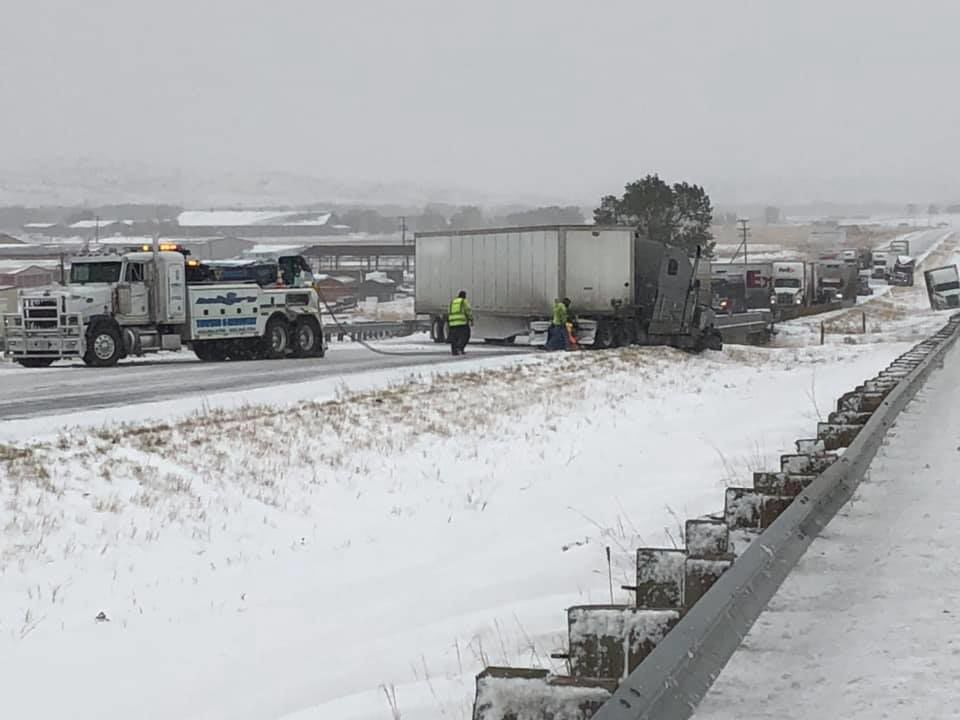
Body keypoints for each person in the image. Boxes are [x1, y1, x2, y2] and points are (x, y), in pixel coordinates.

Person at [448, 290, 473, 355]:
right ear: (464, 296)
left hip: (452, 323)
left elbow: (449, 311)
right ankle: (460, 348)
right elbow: (468, 310)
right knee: (465, 336)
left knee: (454, 338)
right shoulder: (463, 301)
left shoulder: (452, 302)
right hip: (462, 322)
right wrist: (471, 319)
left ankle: (454, 351)